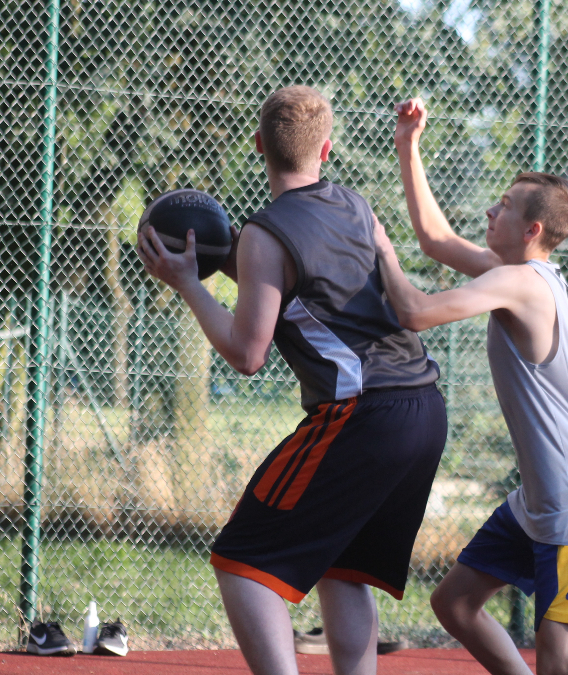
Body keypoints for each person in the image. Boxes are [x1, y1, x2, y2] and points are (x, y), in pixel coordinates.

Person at [137, 86, 447, 675]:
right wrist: (225, 260)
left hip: (363, 414)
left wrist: (190, 284)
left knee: (241, 561)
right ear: (326, 149)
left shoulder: (266, 231)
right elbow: (303, 285)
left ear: (259, 145)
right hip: (423, 408)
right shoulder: (356, 206)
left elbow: (247, 354)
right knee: (342, 567)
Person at [373, 97, 568, 675]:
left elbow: (414, 312)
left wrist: (379, 246)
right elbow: (436, 240)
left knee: (562, 665)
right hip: (542, 494)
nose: (490, 209)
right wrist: (408, 145)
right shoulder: (521, 276)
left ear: (532, 229)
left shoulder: (523, 285)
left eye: (504, 205)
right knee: (455, 604)